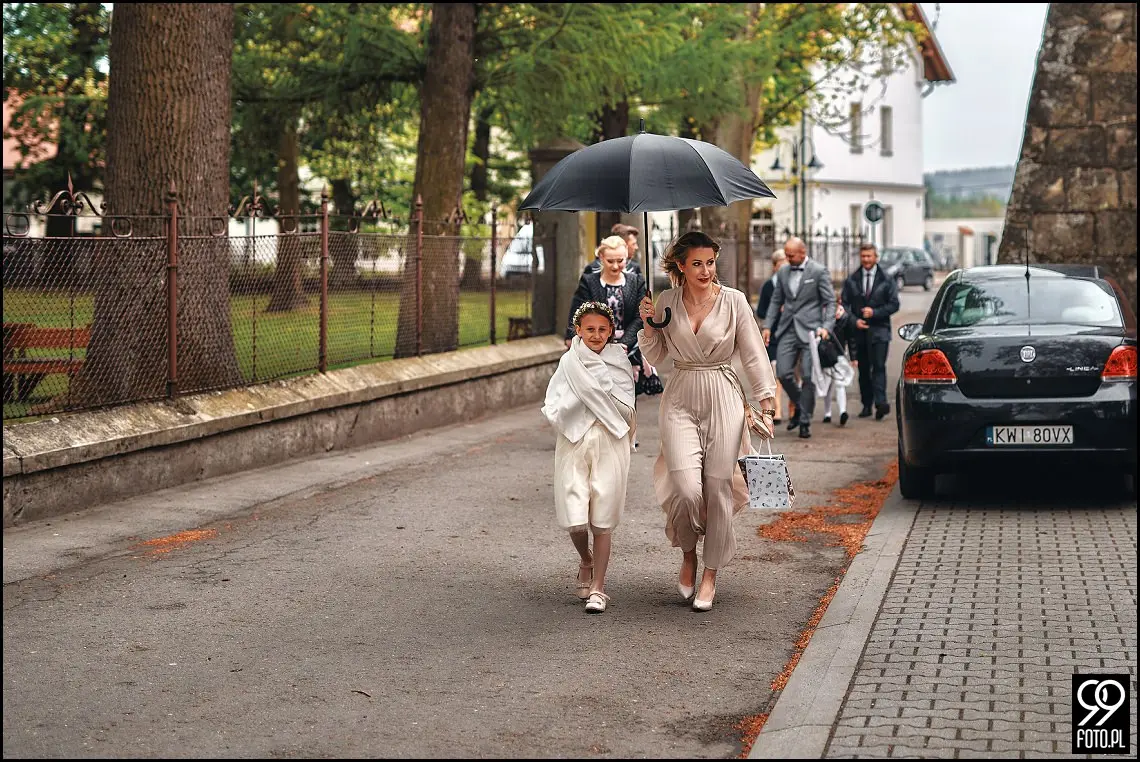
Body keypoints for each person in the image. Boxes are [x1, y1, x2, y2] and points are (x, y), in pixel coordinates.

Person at [637, 231, 777, 612]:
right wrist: (649, 325)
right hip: (680, 393)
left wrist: (766, 401)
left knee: (717, 487)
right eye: (696, 263)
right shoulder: (665, 300)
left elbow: (752, 353)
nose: (705, 270)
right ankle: (688, 553)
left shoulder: (733, 301)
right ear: (680, 266)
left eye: (710, 262)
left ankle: (711, 572)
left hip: (723, 395)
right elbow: (657, 355)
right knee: (684, 486)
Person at [542, 301, 637, 614]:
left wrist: (605, 402)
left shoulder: (619, 361)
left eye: (602, 329)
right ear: (578, 331)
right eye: (590, 329)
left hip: (610, 440)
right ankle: (586, 558)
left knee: (603, 514)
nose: (596, 335)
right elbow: (555, 403)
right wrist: (581, 405)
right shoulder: (568, 363)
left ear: (610, 331)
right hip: (575, 440)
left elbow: (627, 405)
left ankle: (599, 587)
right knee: (575, 513)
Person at [761, 236, 835, 440]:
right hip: (787, 329)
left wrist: (826, 326)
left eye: (791, 255)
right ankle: (803, 408)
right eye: (785, 254)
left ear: (803, 252)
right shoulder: (784, 271)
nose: (787, 258)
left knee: (809, 377)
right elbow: (776, 301)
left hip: (812, 331)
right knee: (783, 373)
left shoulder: (819, 271)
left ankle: (804, 421)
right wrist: (767, 326)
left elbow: (830, 302)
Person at [841, 242, 900, 420]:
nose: (866, 259)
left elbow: (894, 304)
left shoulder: (886, 279)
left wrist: (875, 313)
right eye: (864, 256)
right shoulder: (852, 280)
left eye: (869, 256)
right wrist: (854, 320)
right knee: (864, 369)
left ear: (876, 257)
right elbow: (844, 305)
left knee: (879, 367)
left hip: (880, 330)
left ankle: (881, 403)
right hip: (859, 332)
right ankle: (866, 404)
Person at [756, 249, 788, 424]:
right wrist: (775, 311)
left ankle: (794, 407)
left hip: (791, 334)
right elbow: (761, 311)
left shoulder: (795, 284)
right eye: (782, 263)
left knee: (790, 373)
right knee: (775, 374)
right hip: (773, 335)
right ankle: (778, 409)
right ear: (775, 267)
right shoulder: (768, 286)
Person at [819, 303, 857, 426]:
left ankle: (842, 412)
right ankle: (827, 412)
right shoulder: (821, 316)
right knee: (828, 385)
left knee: (839, 383)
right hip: (826, 355)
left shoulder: (844, 318)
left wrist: (853, 357)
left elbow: (851, 339)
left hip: (839, 355)